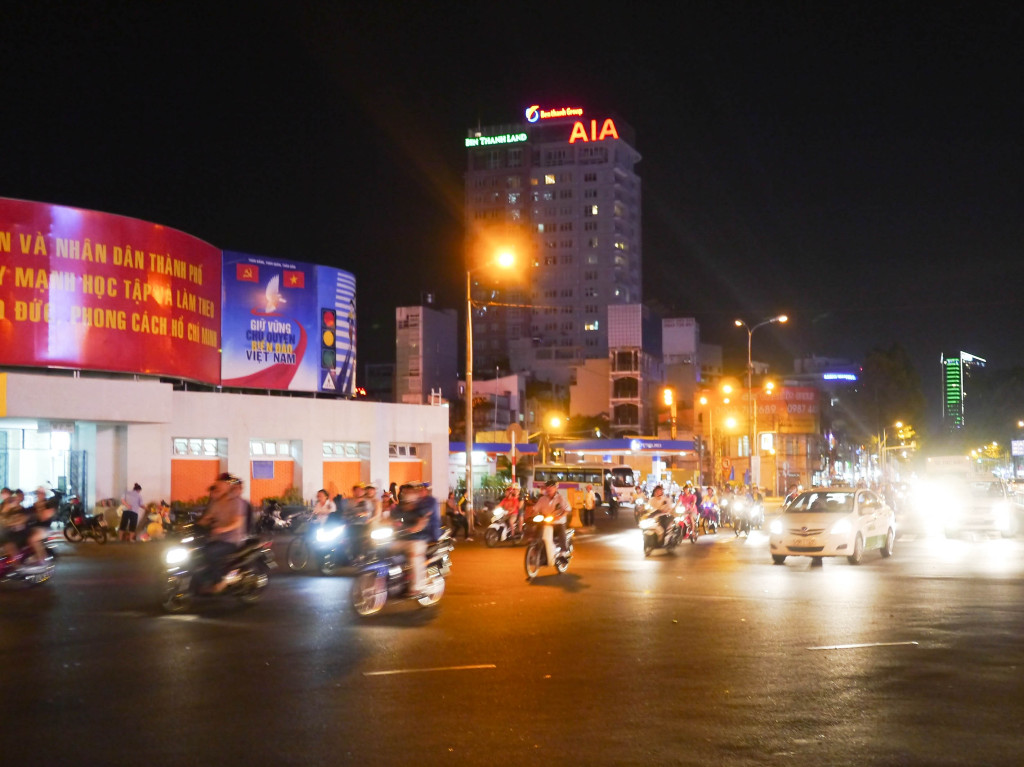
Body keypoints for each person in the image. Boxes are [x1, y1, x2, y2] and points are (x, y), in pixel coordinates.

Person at [195, 472, 248, 593]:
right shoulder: (216, 502)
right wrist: (193, 525)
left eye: (221, 484)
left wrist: (223, 529)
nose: (218, 486)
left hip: (231, 541)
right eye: (217, 483)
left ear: (228, 486)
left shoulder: (236, 502)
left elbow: (238, 522)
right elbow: (207, 518)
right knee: (197, 550)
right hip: (216, 539)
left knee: (210, 552)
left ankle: (219, 581)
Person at [393, 482, 441, 596]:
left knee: (414, 553)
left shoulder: (424, 504)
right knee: (385, 548)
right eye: (406, 491)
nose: (408, 493)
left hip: (421, 537)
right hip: (403, 538)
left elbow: (423, 519)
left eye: (411, 491)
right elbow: (392, 517)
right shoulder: (401, 506)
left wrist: (415, 528)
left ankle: (418, 586)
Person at [531, 479, 571, 569]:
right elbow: (535, 509)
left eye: (551, 488)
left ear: (555, 488)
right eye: (547, 488)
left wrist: (560, 516)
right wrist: (532, 514)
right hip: (546, 522)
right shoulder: (542, 499)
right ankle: (536, 549)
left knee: (561, 532)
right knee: (537, 531)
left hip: (558, 522)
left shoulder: (561, 498)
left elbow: (567, 509)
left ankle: (563, 553)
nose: (549, 489)